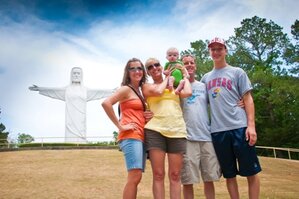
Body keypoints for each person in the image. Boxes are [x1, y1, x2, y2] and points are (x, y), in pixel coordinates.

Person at [201, 37, 262, 199]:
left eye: (219, 48)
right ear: (209, 52)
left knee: (251, 171)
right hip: (218, 132)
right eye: (213, 49)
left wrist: (251, 126)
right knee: (229, 175)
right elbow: (198, 103)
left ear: (225, 50)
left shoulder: (237, 72)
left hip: (240, 128)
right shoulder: (206, 78)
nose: (216, 52)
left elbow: (248, 99)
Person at [142, 57, 192, 199]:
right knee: (158, 174)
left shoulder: (175, 87)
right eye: (150, 67)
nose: (154, 68)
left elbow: (187, 92)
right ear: (148, 72)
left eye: (156, 65)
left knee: (175, 175)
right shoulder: (146, 86)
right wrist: (167, 77)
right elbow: (158, 91)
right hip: (155, 131)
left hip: (177, 130)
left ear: (161, 65)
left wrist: (185, 76)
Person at [101, 58, 150, 199]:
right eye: (133, 68)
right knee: (134, 176)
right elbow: (106, 103)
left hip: (140, 136)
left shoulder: (139, 92)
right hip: (131, 136)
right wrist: (120, 126)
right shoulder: (125, 89)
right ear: (127, 73)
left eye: (140, 68)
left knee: (137, 176)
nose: (137, 71)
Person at [29, 67, 114, 143]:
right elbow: (53, 90)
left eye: (78, 73)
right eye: (74, 73)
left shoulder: (85, 90)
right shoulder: (67, 89)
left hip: (81, 117)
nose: (76, 75)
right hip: (70, 117)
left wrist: (112, 91)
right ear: (71, 75)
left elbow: (99, 91)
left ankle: (81, 141)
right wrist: (40, 88)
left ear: (81, 76)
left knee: (81, 131)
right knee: (70, 132)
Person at [180, 54, 221, 199]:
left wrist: (240, 101)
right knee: (188, 180)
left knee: (209, 178)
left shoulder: (204, 86)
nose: (189, 65)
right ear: (181, 67)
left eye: (192, 62)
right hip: (187, 138)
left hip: (206, 137)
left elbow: (219, 101)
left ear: (195, 66)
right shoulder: (178, 88)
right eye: (186, 63)